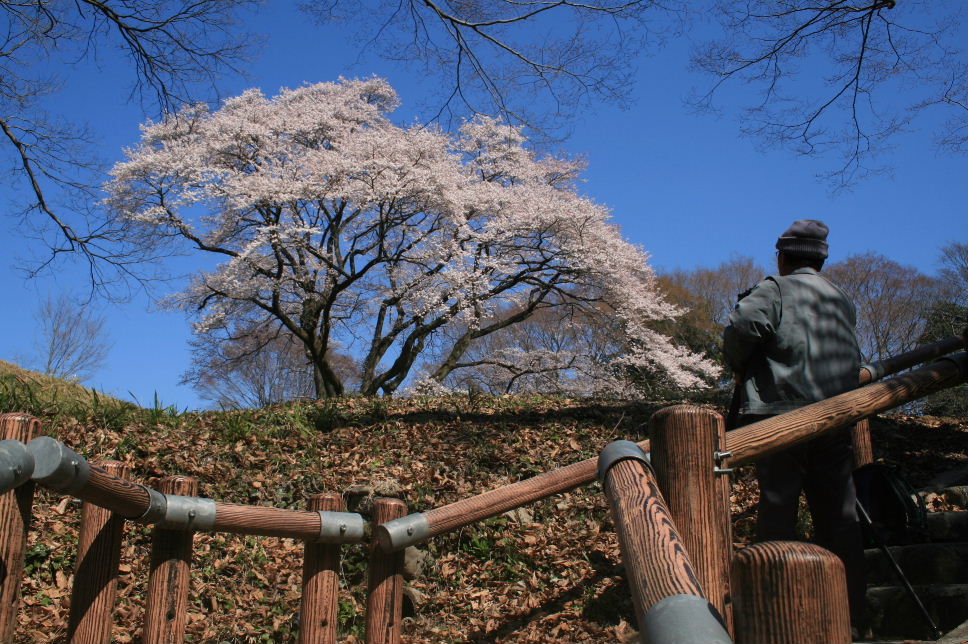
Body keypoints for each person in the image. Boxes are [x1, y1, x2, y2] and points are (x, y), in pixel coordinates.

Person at [723, 219, 867, 634]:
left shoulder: (774, 288)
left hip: (779, 416)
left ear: (782, 256)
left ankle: (773, 619)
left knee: (778, 511)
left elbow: (743, 329)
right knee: (840, 518)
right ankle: (852, 618)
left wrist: (737, 364)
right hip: (835, 417)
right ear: (822, 260)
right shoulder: (840, 297)